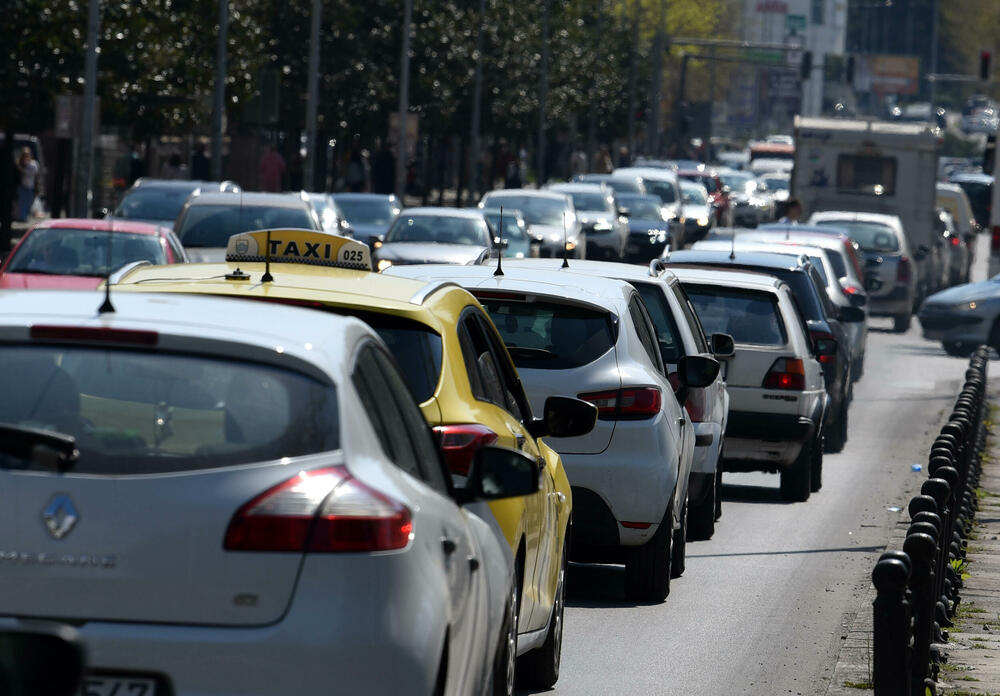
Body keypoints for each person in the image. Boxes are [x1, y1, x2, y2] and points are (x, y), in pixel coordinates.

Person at [16, 147, 39, 222]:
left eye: (27, 155)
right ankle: (22, 217)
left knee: (29, 202)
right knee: (22, 203)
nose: (26, 157)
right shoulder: (20, 163)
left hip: (30, 186)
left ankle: (25, 216)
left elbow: (33, 172)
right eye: (24, 155)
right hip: (22, 186)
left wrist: (26, 165)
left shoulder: (33, 163)